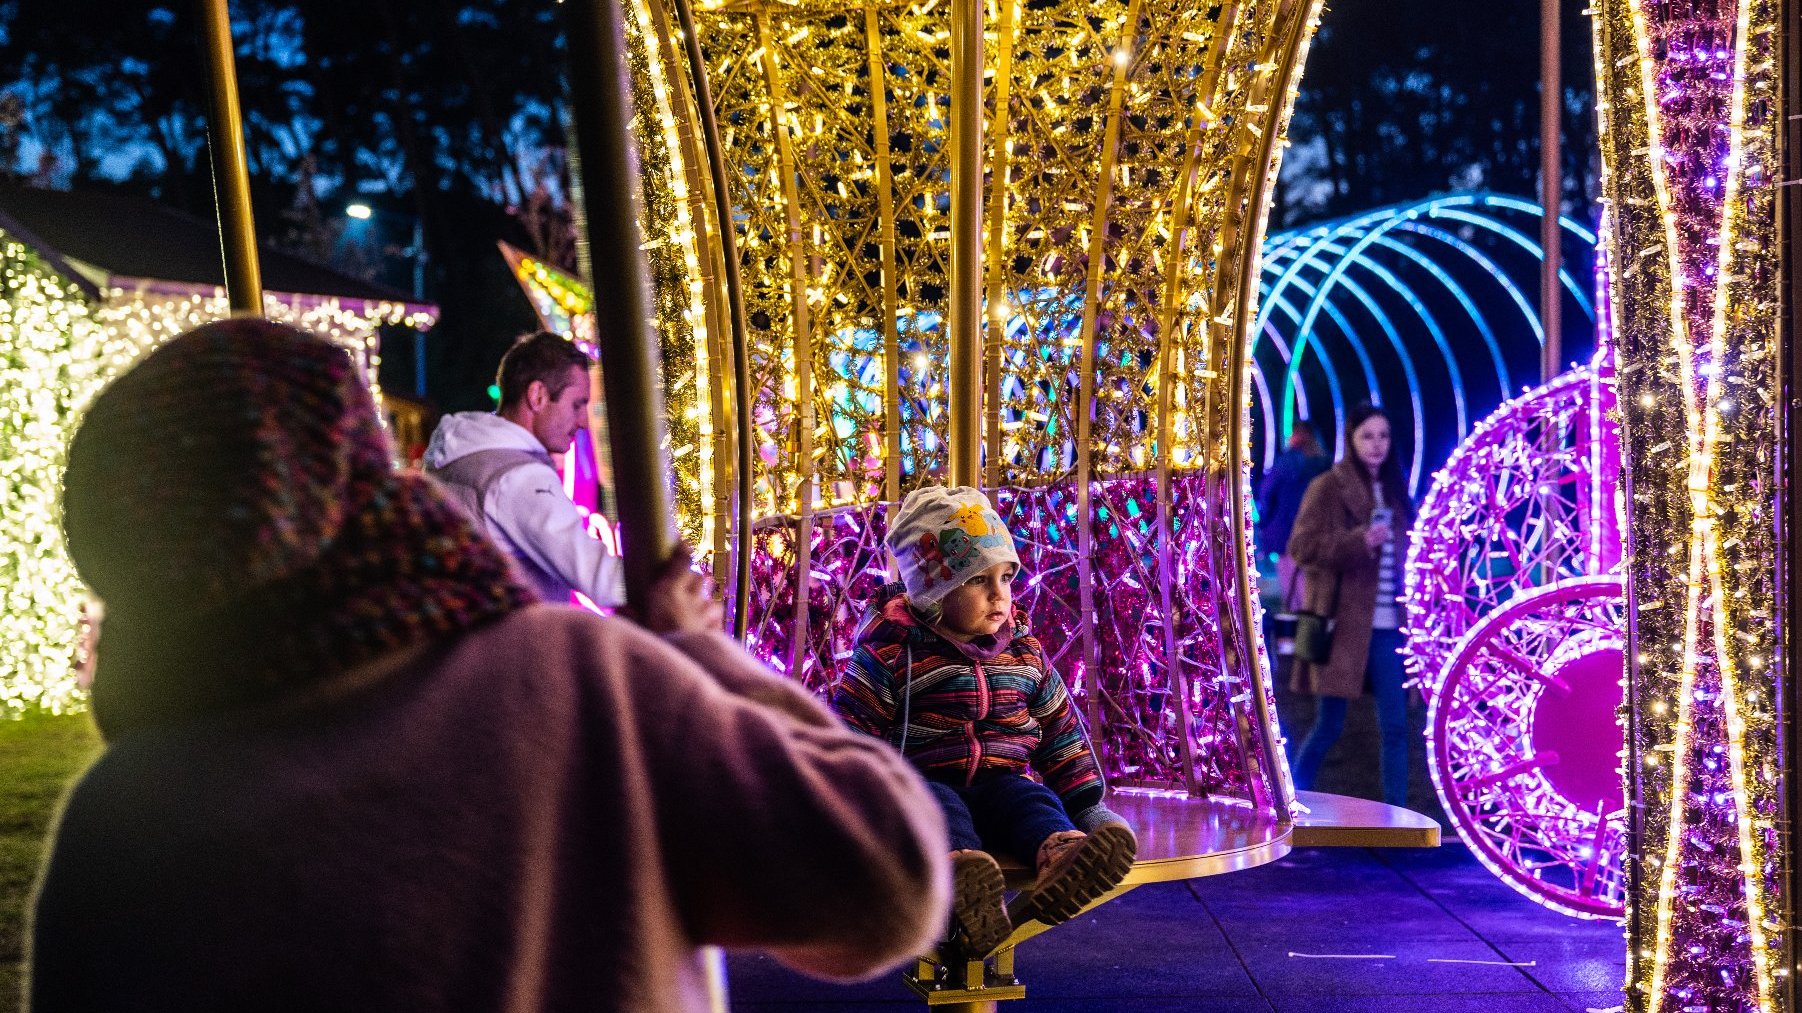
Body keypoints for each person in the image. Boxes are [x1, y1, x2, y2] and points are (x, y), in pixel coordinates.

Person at [32, 319, 951, 1013]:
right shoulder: (581, 683)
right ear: (356, 467)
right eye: (581, 406)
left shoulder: (121, 820)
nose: (585, 422)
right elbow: (885, 880)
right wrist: (692, 646)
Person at [832, 486, 1137, 961]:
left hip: (1000, 778)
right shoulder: (892, 653)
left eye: (1006, 578)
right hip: (923, 781)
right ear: (932, 591)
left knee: (1030, 797)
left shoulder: (1023, 653)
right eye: (978, 581)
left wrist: (1088, 809)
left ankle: (1062, 855)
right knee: (936, 808)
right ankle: (966, 884)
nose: (1000, 596)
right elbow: (850, 735)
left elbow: (1060, 733)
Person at [424, 330, 623, 607]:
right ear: (538, 396)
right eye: (576, 405)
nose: (583, 422)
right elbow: (605, 581)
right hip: (515, 645)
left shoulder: (461, 455)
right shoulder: (518, 478)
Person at [1285, 404, 1416, 808]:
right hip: (1341, 625)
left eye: (1384, 436)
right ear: (1351, 441)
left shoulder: (1395, 491)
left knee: (1396, 724)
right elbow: (1301, 546)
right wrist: (1359, 542)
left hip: (1390, 625)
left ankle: (1397, 813)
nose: (1376, 445)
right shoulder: (1329, 486)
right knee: (1329, 724)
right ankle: (1290, 802)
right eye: (1367, 436)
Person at [1257, 421, 1330, 603]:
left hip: (1283, 529)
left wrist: (1266, 519)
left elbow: (1267, 491)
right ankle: (1308, 621)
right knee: (1309, 582)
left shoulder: (1285, 462)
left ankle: (1293, 625)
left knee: (1289, 584)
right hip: (1314, 530)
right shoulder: (1324, 464)